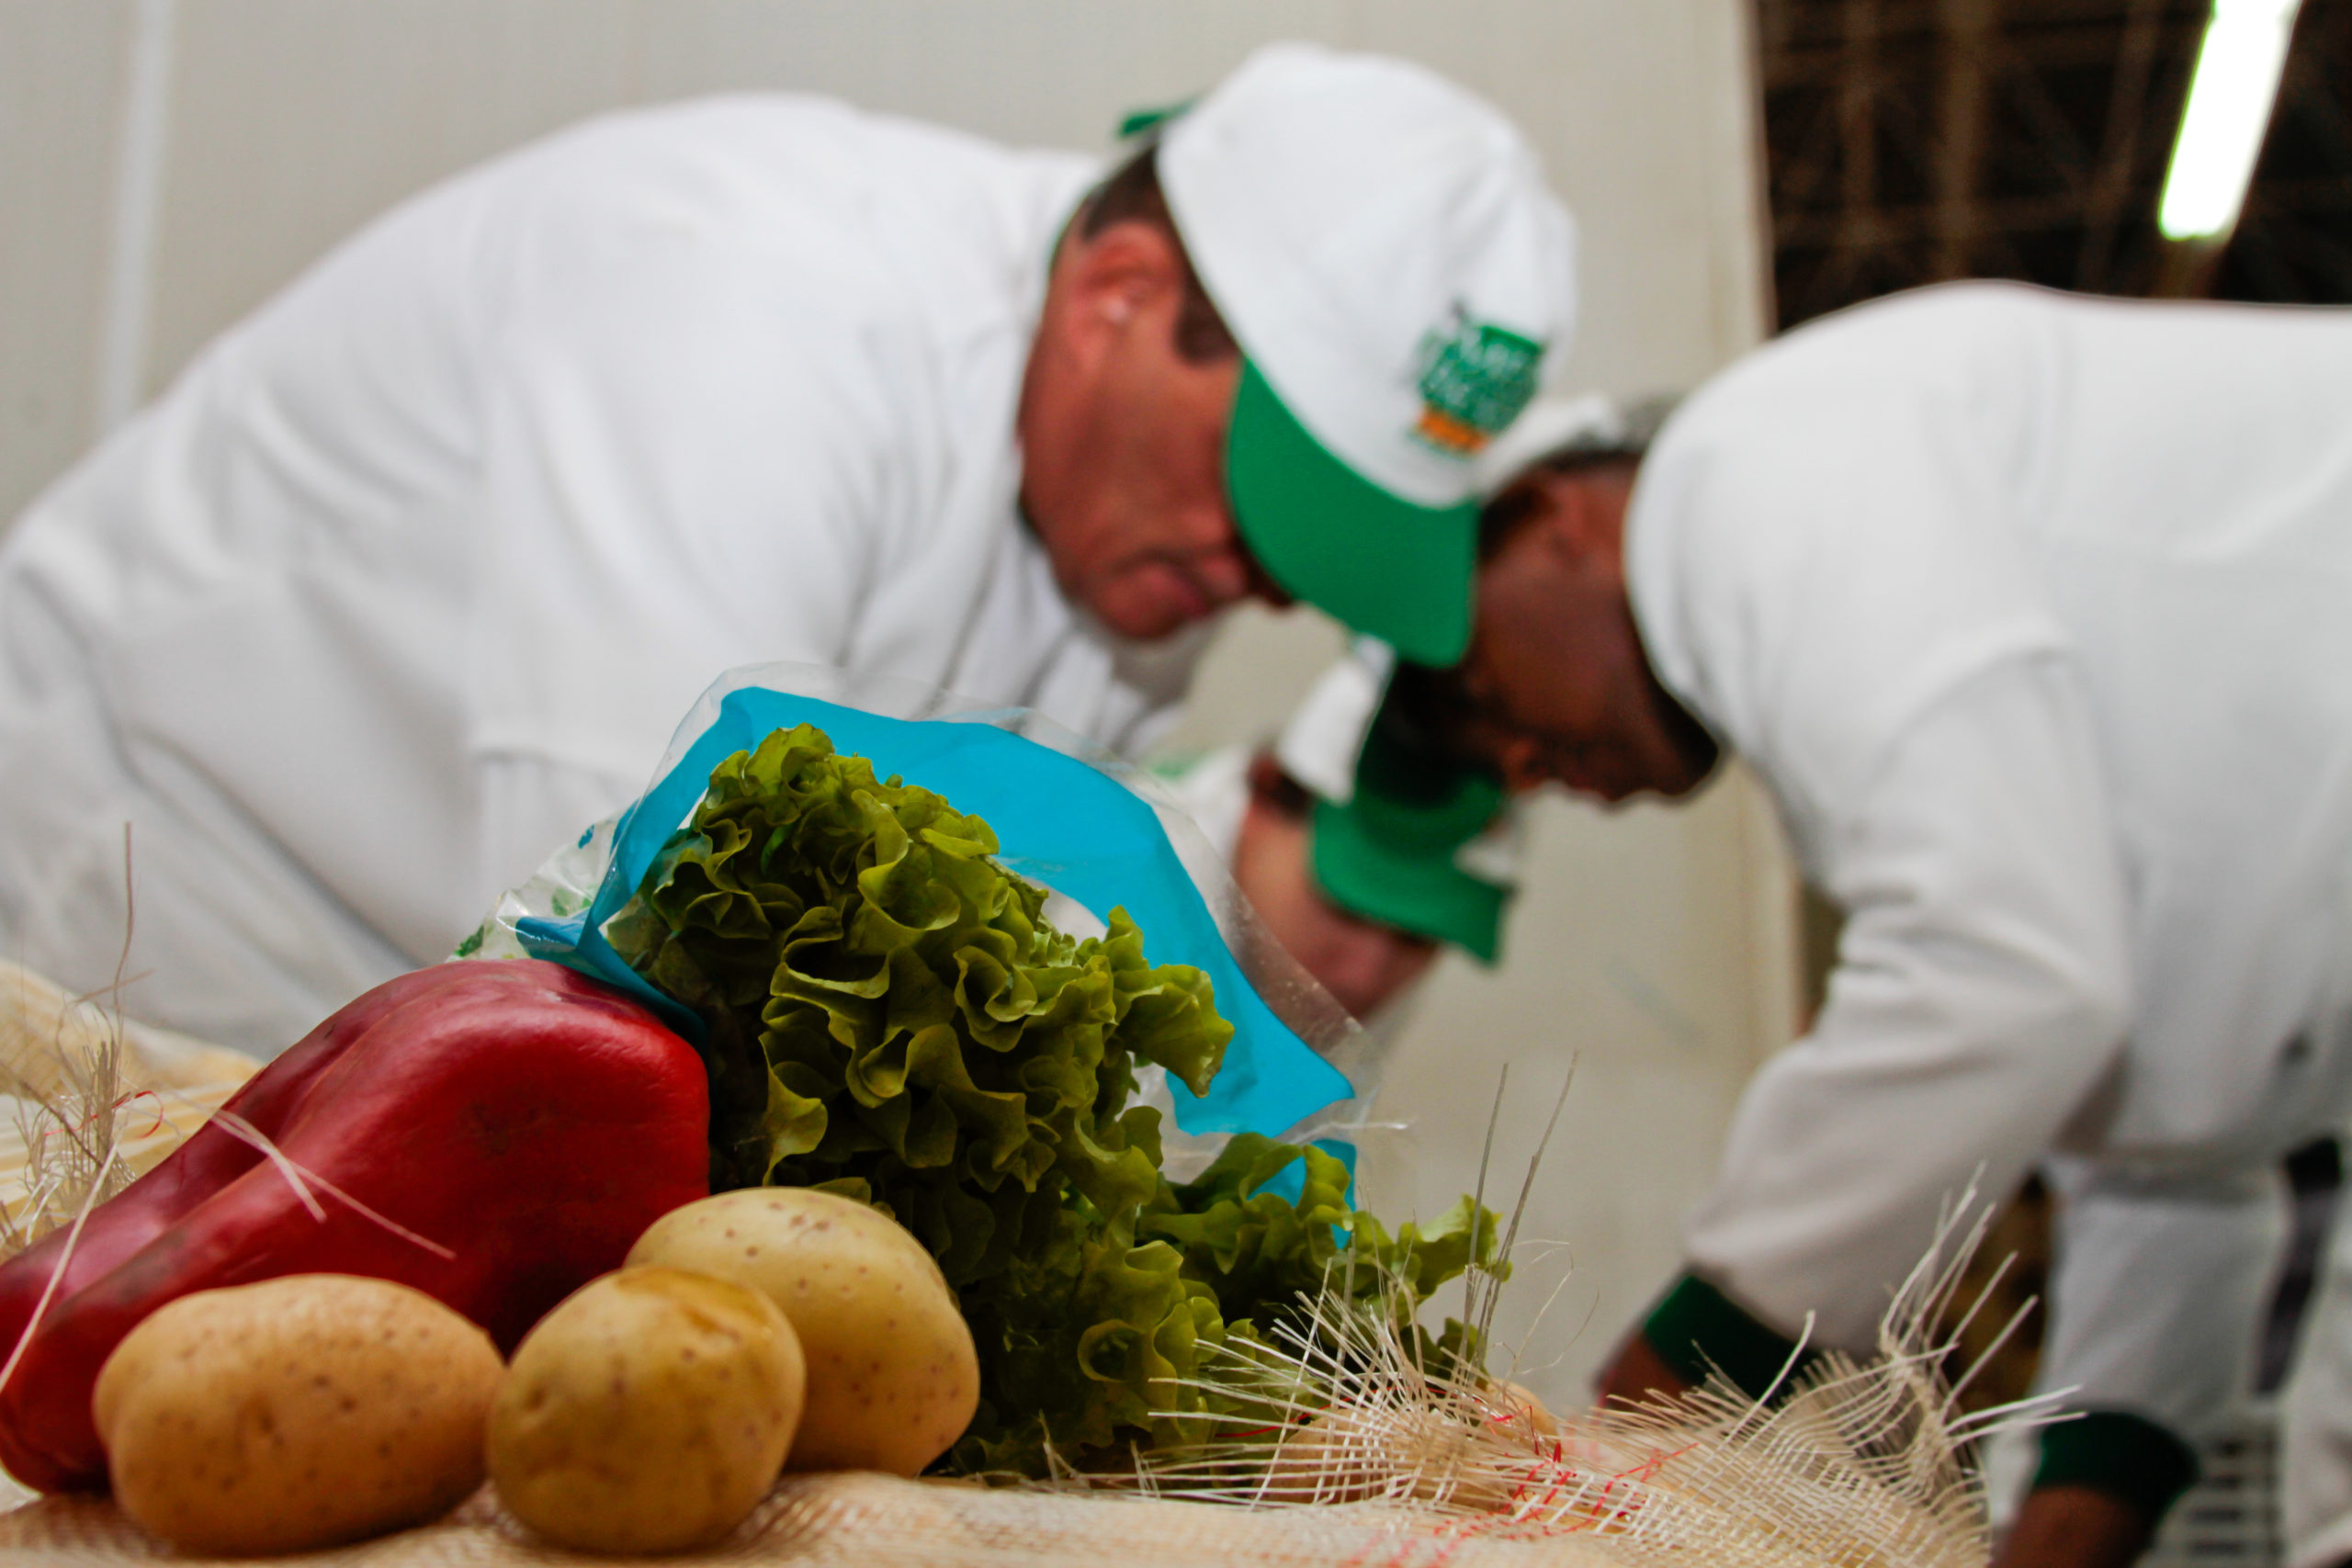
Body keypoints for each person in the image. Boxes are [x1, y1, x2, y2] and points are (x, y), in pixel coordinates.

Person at [0, 42, 1576, 1056]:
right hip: (151, 907)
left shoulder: (1144, 508)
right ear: (1119, 297)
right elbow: (626, 911)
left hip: (411, 1010)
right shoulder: (752, 310)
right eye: (1272, 506)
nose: (1269, 581)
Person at [1326, 280, 2352, 1568]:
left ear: (1548, 517)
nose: (1523, 766)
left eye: (1476, 694)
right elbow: (2179, 1153)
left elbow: (1998, 971)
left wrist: (1651, 1417)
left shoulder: (1754, 474)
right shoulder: (1907, 660)